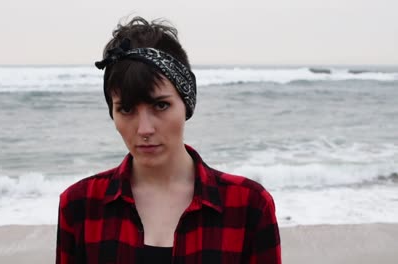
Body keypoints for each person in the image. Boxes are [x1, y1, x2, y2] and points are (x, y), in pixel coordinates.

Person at [56, 16, 281, 264]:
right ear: (112, 112)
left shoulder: (249, 206)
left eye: (161, 105)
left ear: (187, 104)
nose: (144, 128)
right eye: (126, 109)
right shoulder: (80, 206)